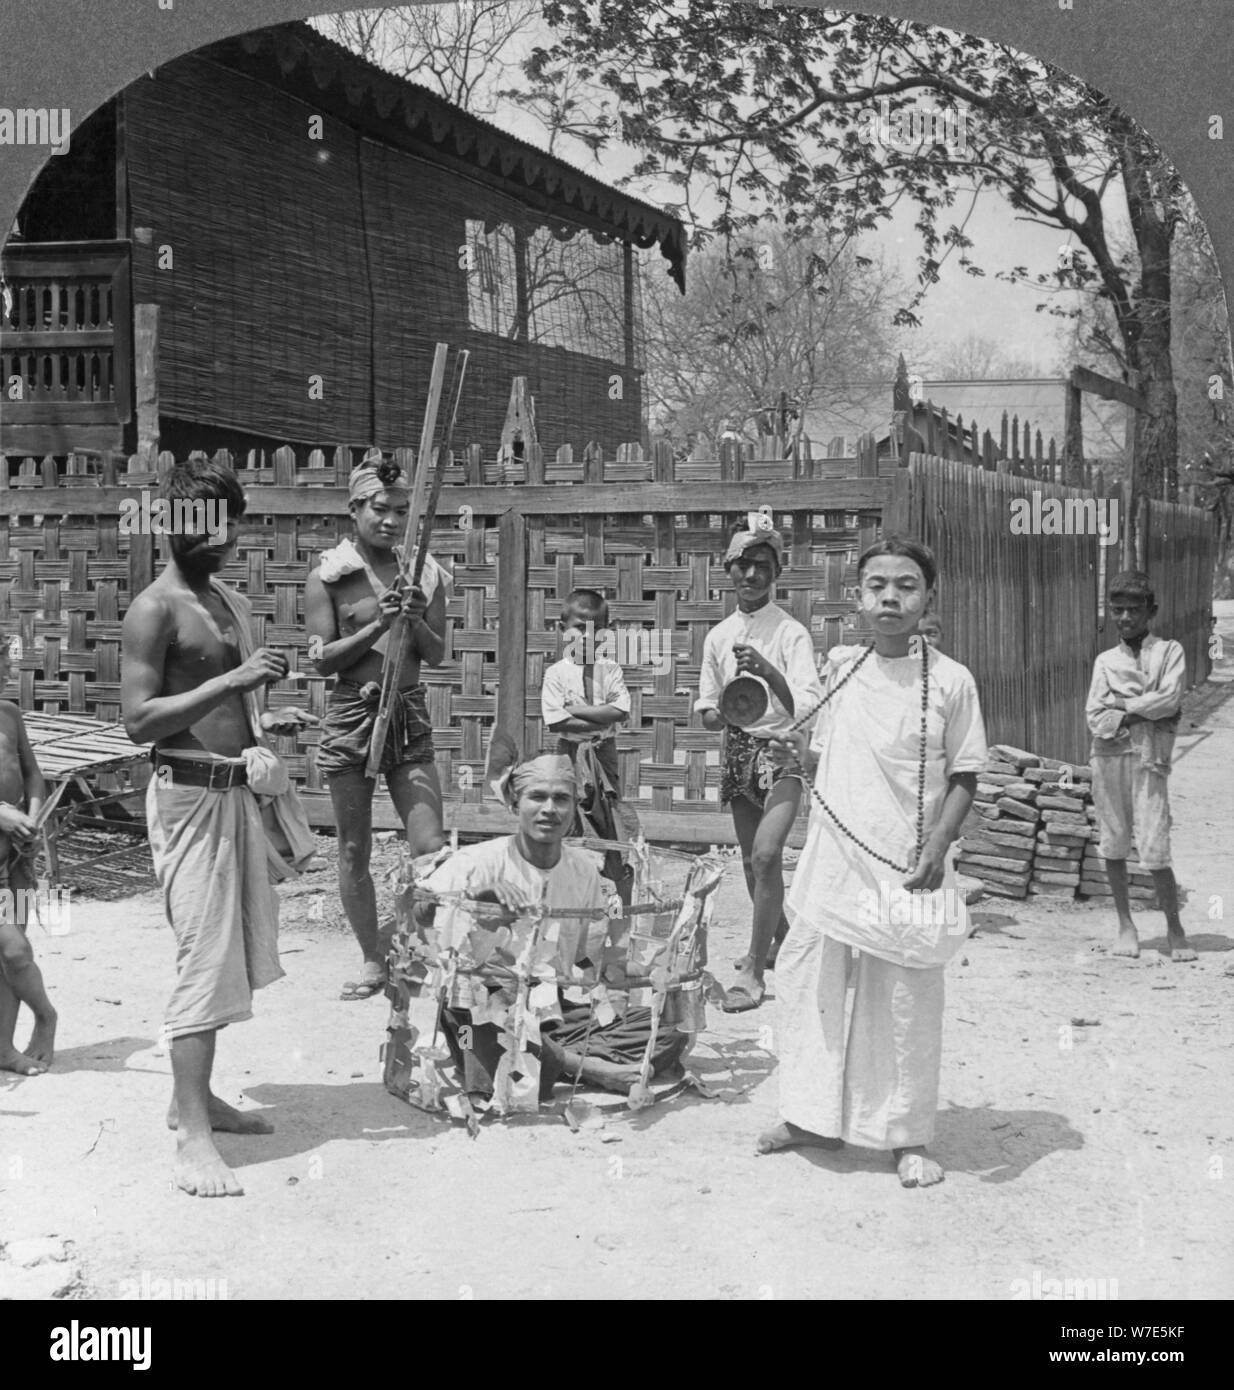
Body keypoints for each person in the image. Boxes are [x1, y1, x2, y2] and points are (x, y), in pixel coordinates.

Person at [757, 537, 987, 1188]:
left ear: (928, 596)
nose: (890, 597)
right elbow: (819, 746)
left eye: (906, 585)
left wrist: (938, 846)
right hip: (835, 854)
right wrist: (792, 749)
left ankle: (904, 1135)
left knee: (905, 992)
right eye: (877, 585)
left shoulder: (951, 680)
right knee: (807, 974)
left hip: (907, 860)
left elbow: (966, 772)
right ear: (858, 598)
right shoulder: (841, 668)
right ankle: (809, 1115)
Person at [122, 457, 294, 1198]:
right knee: (202, 960)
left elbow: (224, 704)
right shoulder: (154, 609)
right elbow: (138, 722)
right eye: (205, 525)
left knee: (224, 958)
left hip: (232, 793)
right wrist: (234, 679)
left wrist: (263, 719)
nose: (221, 539)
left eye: (230, 524)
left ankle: (195, 1101)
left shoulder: (224, 600)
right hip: (187, 800)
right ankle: (192, 1138)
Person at [413, 755, 688, 1106]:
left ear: (574, 809)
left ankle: (550, 1057)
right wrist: (477, 898)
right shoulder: (476, 862)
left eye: (561, 799)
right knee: (483, 1030)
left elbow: (587, 960)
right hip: (477, 1008)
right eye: (537, 797)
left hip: (548, 1007)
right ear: (515, 803)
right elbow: (421, 912)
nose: (549, 809)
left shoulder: (583, 872)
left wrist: (647, 972)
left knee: (669, 1031)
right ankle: (588, 1068)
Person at [305, 451, 451, 1000]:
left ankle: (418, 945)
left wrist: (414, 618)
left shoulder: (426, 573)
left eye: (400, 511)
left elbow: (436, 654)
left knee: (430, 847)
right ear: (354, 509)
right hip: (351, 714)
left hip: (408, 713)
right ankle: (372, 958)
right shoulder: (329, 576)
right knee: (352, 848)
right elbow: (321, 660)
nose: (390, 521)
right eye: (379, 509)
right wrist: (377, 626)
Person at [695, 523, 822, 1012]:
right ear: (728, 569)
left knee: (768, 856)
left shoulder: (791, 633)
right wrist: (721, 712)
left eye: (762, 567)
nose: (751, 575)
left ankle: (751, 969)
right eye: (742, 565)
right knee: (751, 862)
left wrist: (767, 670)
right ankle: (782, 941)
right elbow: (708, 708)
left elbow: (808, 707)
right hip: (737, 752)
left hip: (781, 751)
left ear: (776, 573)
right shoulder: (718, 636)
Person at [1086, 571, 1194, 962]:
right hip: (1108, 758)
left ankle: (1175, 930)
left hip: (1150, 759)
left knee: (1155, 846)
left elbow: (1170, 699)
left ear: (1151, 610)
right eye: (1118, 610)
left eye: (1134, 609)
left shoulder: (1170, 652)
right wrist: (1143, 710)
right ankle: (1125, 926)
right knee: (1114, 842)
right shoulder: (1105, 661)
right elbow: (1096, 719)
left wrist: (1123, 705)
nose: (1126, 617)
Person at [541, 588, 637, 904]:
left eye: (596, 629)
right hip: (569, 755)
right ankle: (570, 900)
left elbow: (620, 711)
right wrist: (600, 717)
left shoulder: (610, 670)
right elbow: (557, 722)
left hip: (602, 754)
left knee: (610, 818)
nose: (587, 636)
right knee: (568, 818)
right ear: (562, 629)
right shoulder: (556, 674)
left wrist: (578, 710)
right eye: (580, 627)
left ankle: (619, 901)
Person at [0, 634, 55, 1076]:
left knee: (10, 960)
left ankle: (3, 1049)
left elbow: (34, 774)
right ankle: (46, 1014)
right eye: (0, 663)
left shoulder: (9, 714)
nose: (7, 671)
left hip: (15, 858)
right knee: (14, 950)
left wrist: (33, 819)